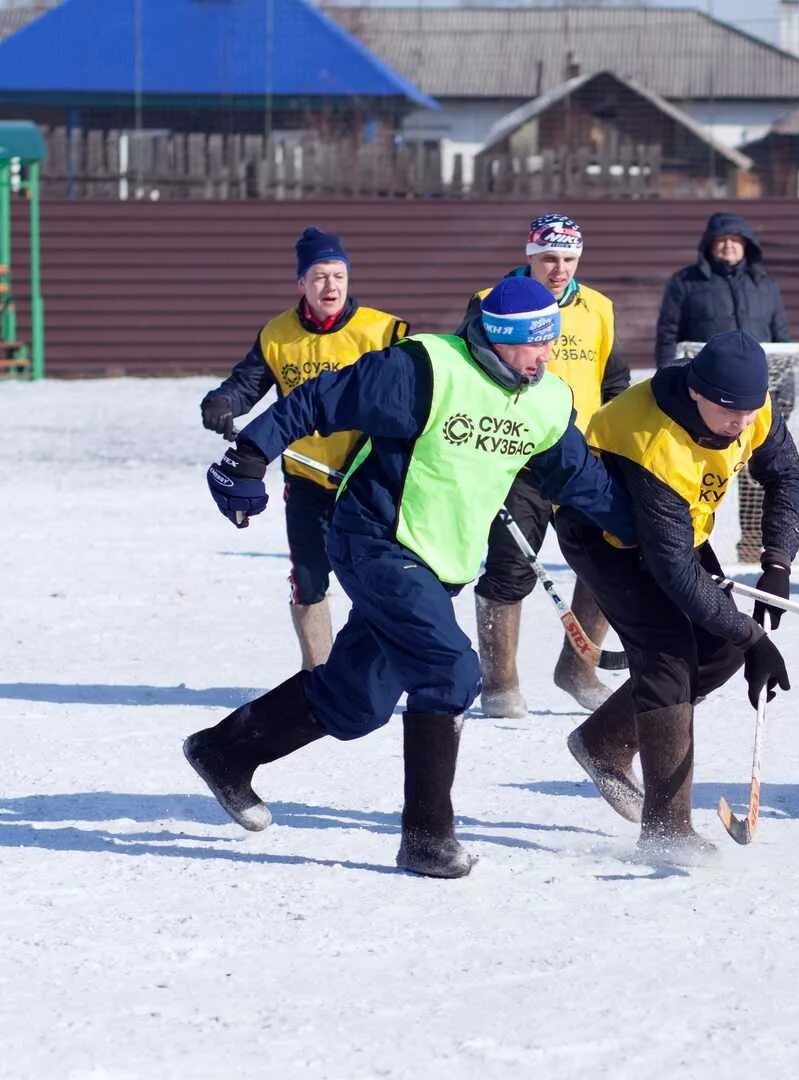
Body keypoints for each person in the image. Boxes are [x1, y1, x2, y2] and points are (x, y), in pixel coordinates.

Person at [184, 277, 636, 879]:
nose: (546, 356)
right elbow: (320, 400)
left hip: (439, 562)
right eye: (535, 344)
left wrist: (656, 537)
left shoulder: (547, 401)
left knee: (356, 703)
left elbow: (583, 484)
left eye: (551, 342)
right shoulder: (425, 368)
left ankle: (223, 751)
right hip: (375, 539)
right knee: (450, 670)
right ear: (498, 339)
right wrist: (251, 454)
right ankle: (426, 837)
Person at [555, 330, 799, 860]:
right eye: (728, 411)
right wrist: (755, 635)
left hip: (678, 528)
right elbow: (672, 571)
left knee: (722, 650)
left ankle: (603, 742)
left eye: (750, 409)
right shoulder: (654, 440)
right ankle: (667, 830)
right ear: (696, 391)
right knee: (666, 655)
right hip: (605, 539)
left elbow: (785, 474)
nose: (741, 423)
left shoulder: (750, 407)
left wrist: (777, 561)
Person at [198, 226, 409, 670]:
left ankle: (384, 669)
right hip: (307, 477)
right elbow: (247, 384)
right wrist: (223, 402)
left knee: (378, 577)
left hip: (369, 479)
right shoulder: (278, 334)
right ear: (301, 284)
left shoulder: (385, 331)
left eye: (338, 275)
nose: (330, 286)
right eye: (319, 277)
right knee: (309, 579)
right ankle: (320, 673)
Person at [466, 213, 631, 715]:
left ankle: (577, 671)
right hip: (518, 459)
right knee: (511, 568)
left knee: (606, 560)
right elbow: (469, 374)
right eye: (548, 259)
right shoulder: (490, 301)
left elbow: (615, 380)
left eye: (568, 259)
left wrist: (615, 446)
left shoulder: (598, 307)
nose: (558, 269)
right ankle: (500, 684)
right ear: (530, 257)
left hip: (580, 459)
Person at [653, 212, 792, 564]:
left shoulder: (765, 284)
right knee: (695, 470)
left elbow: (782, 341)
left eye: (736, 240)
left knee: (757, 474)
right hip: (701, 398)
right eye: (721, 240)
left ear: (746, 245)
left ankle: (752, 546)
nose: (729, 246)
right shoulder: (686, 282)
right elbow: (668, 335)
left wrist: (786, 389)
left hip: (756, 395)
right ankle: (681, 542)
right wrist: (667, 383)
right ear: (710, 245)